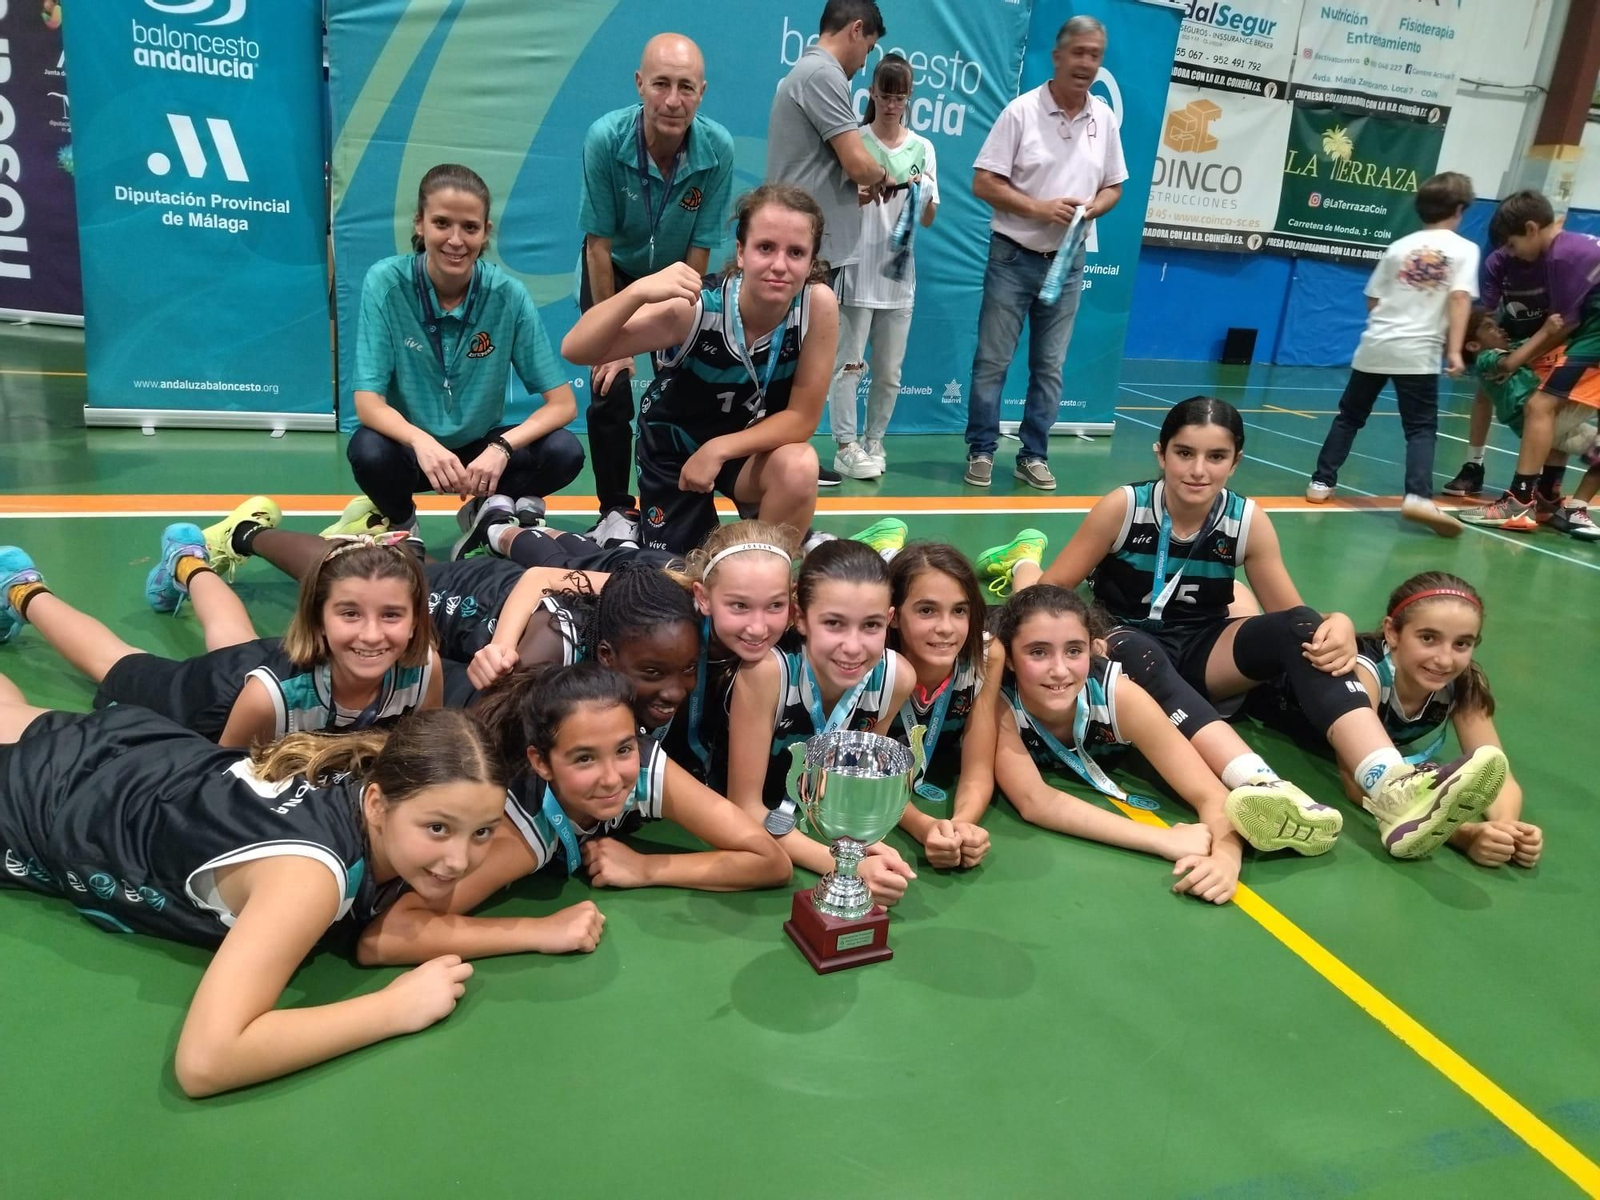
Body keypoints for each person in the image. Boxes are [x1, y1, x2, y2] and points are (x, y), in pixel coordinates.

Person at [1009, 396, 1511, 860]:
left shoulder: (1246, 520)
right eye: (1184, 453)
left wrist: (1330, 623)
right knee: (1138, 649)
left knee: (1301, 630)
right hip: (1123, 641)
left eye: (1216, 456)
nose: (1199, 470)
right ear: (1161, 454)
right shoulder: (1125, 506)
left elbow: (1292, 617)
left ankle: (1392, 786)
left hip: (1204, 646)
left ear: (1236, 460)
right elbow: (1048, 600)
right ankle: (1265, 789)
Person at [0, 693, 507, 1096]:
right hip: (48, 802)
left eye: (482, 832)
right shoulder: (309, 878)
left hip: (135, 751)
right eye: (439, 828)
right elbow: (206, 1062)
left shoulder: (376, 773)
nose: (460, 861)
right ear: (377, 804)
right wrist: (394, 1009)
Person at [353, 663, 791, 965]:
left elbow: (769, 861)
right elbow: (384, 938)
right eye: (583, 759)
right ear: (542, 763)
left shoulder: (639, 767)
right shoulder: (522, 833)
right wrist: (539, 932)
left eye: (621, 748)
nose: (610, 778)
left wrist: (647, 868)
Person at [562, 185, 838, 556]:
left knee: (799, 465)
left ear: (811, 261)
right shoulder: (695, 310)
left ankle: (768, 573)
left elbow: (802, 419)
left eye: (796, 253)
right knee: (681, 579)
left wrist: (719, 449)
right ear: (740, 252)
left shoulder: (816, 305)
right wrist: (637, 292)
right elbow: (576, 348)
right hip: (675, 450)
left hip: (743, 448)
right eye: (765, 247)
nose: (779, 265)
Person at [0, 530, 440, 748]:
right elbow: (221, 775)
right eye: (349, 613)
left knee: (233, 638)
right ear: (318, 619)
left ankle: (187, 561)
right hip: (210, 702)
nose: (371, 634)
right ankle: (22, 589)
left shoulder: (424, 671)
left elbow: (420, 745)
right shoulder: (268, 698)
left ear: (416, 620)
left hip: (268, 666)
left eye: (392, 615)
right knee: (115, 662)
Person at [341, 163, 584, 541]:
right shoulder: (386, 282)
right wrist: (421, 441)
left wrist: (502, 447)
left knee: (564, 451)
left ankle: (484, 510)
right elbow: (368, 404)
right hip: (414, 450)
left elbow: (563, 404)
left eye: (470, 227)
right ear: (420, 224)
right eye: (442, 223)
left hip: (479, 451)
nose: (456, 240)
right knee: (368, 450)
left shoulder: (508, 295)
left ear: (485, 233)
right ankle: (404, 524)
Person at [991, 586, 1273, 905]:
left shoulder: (1121, 697)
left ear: (1092, 649)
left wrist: (1225, 860)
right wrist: (1164, 839)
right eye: (1038, 652)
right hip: (989, 629)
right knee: (1020, 599)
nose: (1059, 669)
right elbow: (1035, 801)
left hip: (1135, 649)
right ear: (1011, 659)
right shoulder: (996, 702)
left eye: (1074, 651)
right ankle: (1024, 566)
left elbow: (1209, 793)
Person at [1247, 573, 1539, 869]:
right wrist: (1463, 834)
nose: (1445, 659)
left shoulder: (1463, 683)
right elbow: (1358, 783)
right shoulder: (1367, 673)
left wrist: (1505, 829)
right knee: (1239, 609)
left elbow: (1496, 772)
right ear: (1393, 633)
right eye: (1428, 638)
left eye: (1462, 644)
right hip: (1249, 693)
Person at [578, 34, 736, 541]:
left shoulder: (718, 150)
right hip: (615, 273)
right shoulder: (605, 138)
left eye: (686, 87)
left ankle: (675, 508)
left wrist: (681, 315)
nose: (673, 100)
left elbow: (702, 247)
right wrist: (612, 343)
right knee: (609, 389)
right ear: (639, 84)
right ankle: (614, 511)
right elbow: (597, 245)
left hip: (678, 277)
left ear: (702, 91)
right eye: (661, 84)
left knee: (684, 387)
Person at [964, 15, 1126, 493]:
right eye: (1078, 53)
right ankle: (981, 450)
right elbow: (982, 182)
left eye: (1095, 55)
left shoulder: (1104, 118)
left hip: (1068, 264)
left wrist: (1097, 205)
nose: (1086, 63)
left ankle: (1033, 454)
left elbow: (1115, 185)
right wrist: (1039, 208)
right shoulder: (1020, 112)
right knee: (992, 362)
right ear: (1057, 57)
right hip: (1013, 256)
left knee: (1050, 369)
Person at [724, 538, 917, 903]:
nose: (853, 646)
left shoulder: (896, 679)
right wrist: (846, 867)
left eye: (871, 625)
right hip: (761, 833)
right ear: (800, 618)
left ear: (890, 620)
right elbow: (745, 807)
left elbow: (861, 784)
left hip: (817, 829)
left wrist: (869, 846)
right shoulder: (767, 675)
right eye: (834, 623)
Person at [1304, 171, 1478, 537]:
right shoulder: (1465, 249)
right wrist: (1455, 350)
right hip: (1418, 352)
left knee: (1349, 416)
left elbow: (1372, 299)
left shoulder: (1399, 246)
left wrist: (1391, 324)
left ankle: (1320, 483)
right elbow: (1460, 298)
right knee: (1420, 428)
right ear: (1460, 209)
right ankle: (1417, 496)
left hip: (1376, 344)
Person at [766, 0, 888, 488]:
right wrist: (881, 173)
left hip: (814, 247)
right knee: (796, 358)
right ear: (856, 30)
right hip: (806, 252)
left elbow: (824, 167)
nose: (865, 63)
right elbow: (859, 163)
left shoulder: (812, 75)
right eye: (869, 49)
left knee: (796, 357)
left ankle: (785, 454)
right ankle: (781, 458)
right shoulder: (823, 74)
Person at [1444, 190, 1600, 527]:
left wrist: (1522, 357)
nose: (1512, 254)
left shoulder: (1559, 257)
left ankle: (1519, 500)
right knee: (1547, 410)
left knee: (1538, 407)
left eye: (1513, 245)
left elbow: (1564, 324)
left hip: (1593, 333)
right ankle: (1547, 498)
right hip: (1589, 331)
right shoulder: (1574, 244)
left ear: (1531, 228)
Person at [827, 53, 939, 481]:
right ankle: (844, 445)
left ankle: (874, 441)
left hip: (899, 278)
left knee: (889, 373)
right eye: (885, 94)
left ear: (909, 97)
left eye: (900, 96)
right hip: (857, 270)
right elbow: (841, 203)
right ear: (872, 93)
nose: (892, 104)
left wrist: (924, 192)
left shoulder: (923, 149)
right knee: (849, 367)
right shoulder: (854, 142)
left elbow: (928, 219)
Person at [884, 543, 995, 869]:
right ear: (892, 616)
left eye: (959, 611)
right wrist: (924, 826)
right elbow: (866, 777)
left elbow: (978, 768)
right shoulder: (872, 667)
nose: (946, 627)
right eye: (926, 610)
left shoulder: (986, 657)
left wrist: (962, 825)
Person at [1459, 308, 1600, 540]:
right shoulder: (1486, 358)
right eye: (1489, 327)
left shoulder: (1513, 349)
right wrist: (1546, 330)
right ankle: (1522, 502)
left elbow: (1529, 351)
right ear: (1474, 345)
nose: (1499, 329)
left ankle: (1573, 510)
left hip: (1553, 429)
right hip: (1537, 422)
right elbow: (1510, 363)